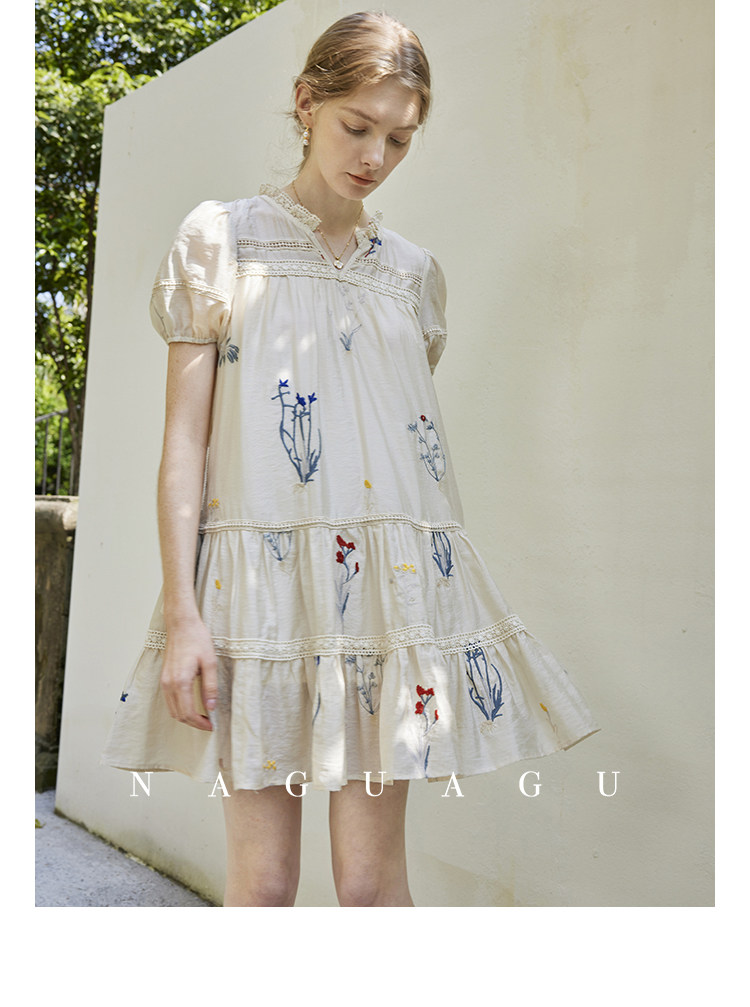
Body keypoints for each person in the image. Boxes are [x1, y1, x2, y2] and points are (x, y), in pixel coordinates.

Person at [102, 10, 599, 907]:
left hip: (386, 603)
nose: (374, 156)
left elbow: (392, 445)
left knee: (372, 887)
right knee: (264, 886)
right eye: (357, 127)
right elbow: (185, 444)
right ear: (306, 103)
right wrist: (183, 616)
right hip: (257, 598)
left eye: (399, 139)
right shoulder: (221, 241)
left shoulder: (412, 275)